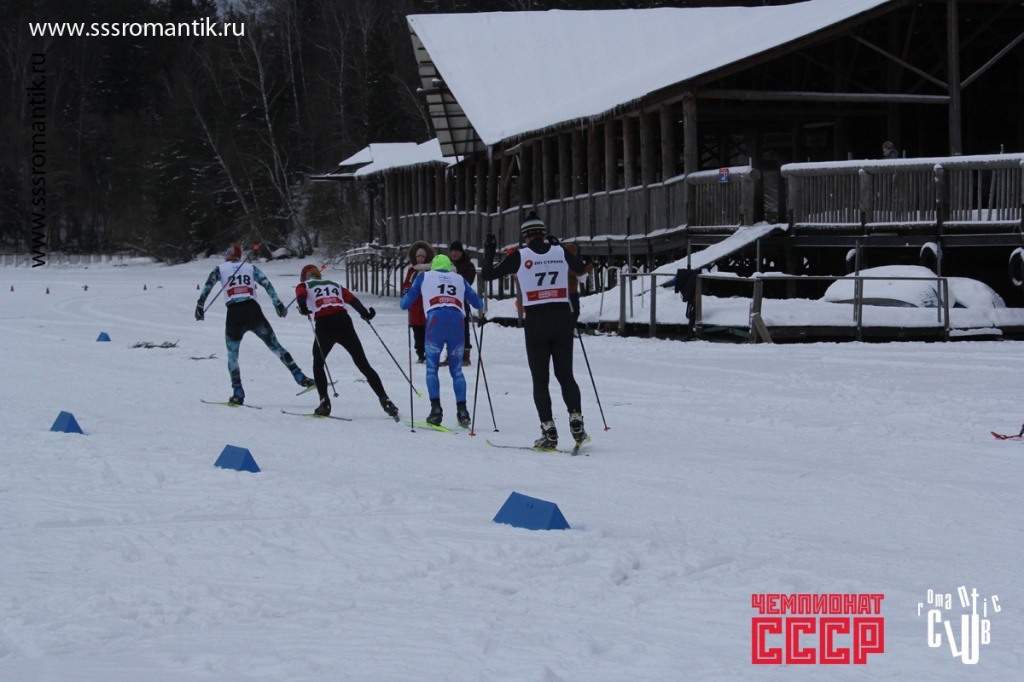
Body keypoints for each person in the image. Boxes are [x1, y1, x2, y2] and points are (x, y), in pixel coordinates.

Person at [479, 212, 589, 449]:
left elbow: (487, 274)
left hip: (537, 321)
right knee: (566, 375)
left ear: (525, 236)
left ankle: (549, 430)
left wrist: (489, 251)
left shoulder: (521, 256)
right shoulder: (559, 251)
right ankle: (576, 419)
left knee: (540, 380)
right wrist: (562, 248)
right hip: (562, 317)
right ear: (543, 233)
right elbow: (581, 269)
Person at [195, 243, 313, 405]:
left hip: (234, 314)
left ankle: (238, 392)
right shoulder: (250, 267)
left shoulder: (220, 269)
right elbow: (266, 284)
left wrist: (200, 306)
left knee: (232, 355)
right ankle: (300, 377)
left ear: (227, 255)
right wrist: (278, 304)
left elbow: (208, 286)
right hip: (253, 311)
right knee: (276, 346)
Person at [295, 264, 399, 419]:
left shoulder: (304, 285)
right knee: (363, 364)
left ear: (305, 276)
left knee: (318, 363)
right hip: (344, 322)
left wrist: (303, 306)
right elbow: (351, 299)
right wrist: (364, 313)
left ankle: (324, 402)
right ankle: (385, 399)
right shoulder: (334, 284)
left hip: (325, 324)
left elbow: (301, 295)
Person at [400, 254, 483, 428]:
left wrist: (406, 293)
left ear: (433, 267)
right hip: (457, 324)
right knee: (457, 371)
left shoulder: (424, 277)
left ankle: (436, 410)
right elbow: (478, 304)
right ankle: (463, 411)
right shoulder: (459, 278)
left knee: (432, 369)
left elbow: (404, 304)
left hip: (435, 323)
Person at [444, 240, 478, 367]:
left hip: (461, 300)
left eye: (456, 251)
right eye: (452, 251)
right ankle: (450, 354)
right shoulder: (447, 265)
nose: (454, 254)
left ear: (461, 252)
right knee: (449, 328)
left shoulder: (468, 265)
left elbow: (467, 282)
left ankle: (465, 355)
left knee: (463, 327)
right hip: (448, 300)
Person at [402, 241, 434, 364]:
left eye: (422, 256)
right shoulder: (412, 270)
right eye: (418, 256)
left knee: (427, 330)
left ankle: (428, 353)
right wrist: (407, 292)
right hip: (415, 305)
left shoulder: (430, 270)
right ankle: (420, 353)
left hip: (426, 304)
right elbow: (406, 284)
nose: (420, 259)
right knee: (417, 332)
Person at [562, 241, 594, 325]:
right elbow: (579, 273)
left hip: (567, 292)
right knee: (574, 311)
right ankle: (570, 328)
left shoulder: (562, 261)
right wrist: (589, 267)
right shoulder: (568, 264)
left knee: (570, 312)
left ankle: (568, 327)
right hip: (570, 292)